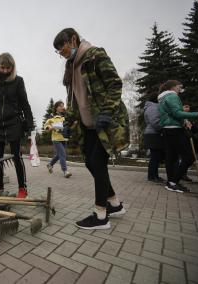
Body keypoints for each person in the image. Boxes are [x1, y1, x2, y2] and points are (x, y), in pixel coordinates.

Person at [53, 28, 129, 229]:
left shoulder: (95, 55)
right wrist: (68, 125)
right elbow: (74, 102)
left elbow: (114, 84)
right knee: (90, 163)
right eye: (58, 50)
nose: (61, 52)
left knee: (97, 162)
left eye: (63, 46)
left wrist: (107, 111)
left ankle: (101, 216)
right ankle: (114, 204)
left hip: (104, 122)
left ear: (74, 39)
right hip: (88, 125)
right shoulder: (71, 68)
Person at [0, 52, 34, 198]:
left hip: (14, 123)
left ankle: (22, 188)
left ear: (12, 67)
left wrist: (30, 125)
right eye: (2, 67)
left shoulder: (18, 81)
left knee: (17, 157)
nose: (5, 71)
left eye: (8, 68)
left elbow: (25, 103)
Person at [158, 80, 198, 193]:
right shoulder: (172, 96)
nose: (180, 90)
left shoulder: (163, 98)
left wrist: (183, 117)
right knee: (189, 157)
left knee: (171, 157)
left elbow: (173, 113)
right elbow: (177, 113)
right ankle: (173, 182)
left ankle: (171, 182)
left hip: (168, 130)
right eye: (179, 87)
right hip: (174, 129)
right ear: (173, 87)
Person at [44, 100, 72, 178]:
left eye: (63, 106)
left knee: (59, 155)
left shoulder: (65, 116)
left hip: (64, 138)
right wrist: (50, 128)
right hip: (56, 139)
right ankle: (65, 171)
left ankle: (50, 164)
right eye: (60, 106)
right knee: (63, 154)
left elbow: (70, 122)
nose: (62, 107)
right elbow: (46, 125)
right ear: (56, 108)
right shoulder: (52, 116)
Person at [143, 91, 165, 183]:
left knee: (157, 156)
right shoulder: (152, 107)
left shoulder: (153, 106)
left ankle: (154, 176)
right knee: (155, 156)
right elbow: (155, 121)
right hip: (153, 134)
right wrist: (162, 128)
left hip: (153, 134)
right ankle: (152, 176)